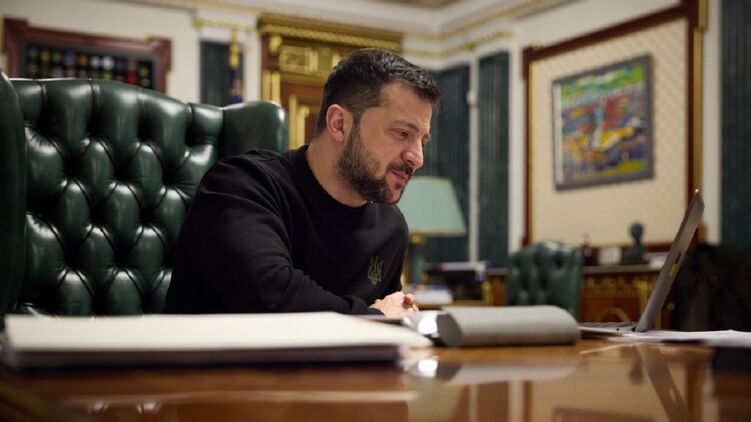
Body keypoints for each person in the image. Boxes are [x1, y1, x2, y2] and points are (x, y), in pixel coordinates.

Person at [164, 48, 441, 318]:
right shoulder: (240, 186)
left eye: (423, 141)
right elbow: (272, 301)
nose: (417, 158)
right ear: (339, 124)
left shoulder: (391, 227)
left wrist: (395, 316)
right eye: (402, 133)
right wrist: (374, 318)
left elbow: (388, 317)